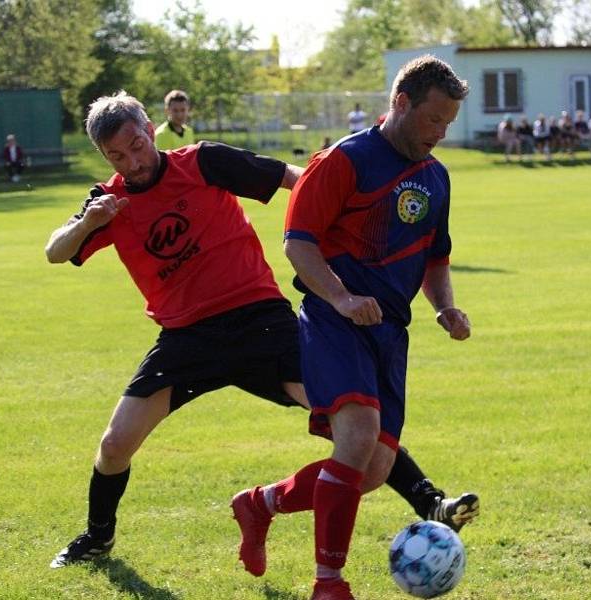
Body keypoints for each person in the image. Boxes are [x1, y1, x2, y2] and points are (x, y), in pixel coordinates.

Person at [45, 91, 468, 570]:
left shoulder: (204, 161)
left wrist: (349, 222)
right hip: (187, 339)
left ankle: (429, 501)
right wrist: (87, 222)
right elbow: (56, 252)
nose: (134, 161)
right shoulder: (109, 201)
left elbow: (297, 181)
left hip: (260, 320)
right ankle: (98, 538)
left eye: (137, 144)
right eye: (117, 156)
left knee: (350, 419)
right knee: (114, 444)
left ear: (148, 126)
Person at [232, 55, 478, 600]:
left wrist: (445, 307)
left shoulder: (436, 178)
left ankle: (260, 504)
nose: (439, 133)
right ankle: (329, 584)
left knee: (371, 469)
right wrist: (341, 298)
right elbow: (298, 243)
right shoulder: (344, 161)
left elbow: (435, 258)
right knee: (359, 437)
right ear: (400, 104)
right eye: (432, 119)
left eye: (448, 124)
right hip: (333, 319)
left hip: (390, 334)